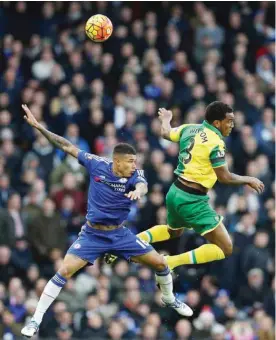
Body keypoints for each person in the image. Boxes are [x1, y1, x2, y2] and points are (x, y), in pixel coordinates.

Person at [20, 104, 192, 338]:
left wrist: (139, 192)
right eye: (130, 161)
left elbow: (143, 184)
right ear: (116, 161)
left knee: (161, 264)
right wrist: (39, 127)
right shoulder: (96, 164)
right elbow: (66, 145)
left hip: (119, 234)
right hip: (92, 235)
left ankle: (169, 298)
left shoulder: (135, 176)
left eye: (135, 161)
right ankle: (35, 320)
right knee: (64, 271)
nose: (134, 165)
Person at [105, 101, 264, 270]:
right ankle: (171, 262)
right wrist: (248, 179)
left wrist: (166, 120)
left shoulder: (190, 128)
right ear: (217, 123)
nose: (232, 125)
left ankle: (125, 243)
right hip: (192, 199)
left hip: (175, 192)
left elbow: (166, 133)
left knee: (173, 231)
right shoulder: (215, 142)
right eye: (229, 121)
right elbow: (224, 177)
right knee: (226, 247)